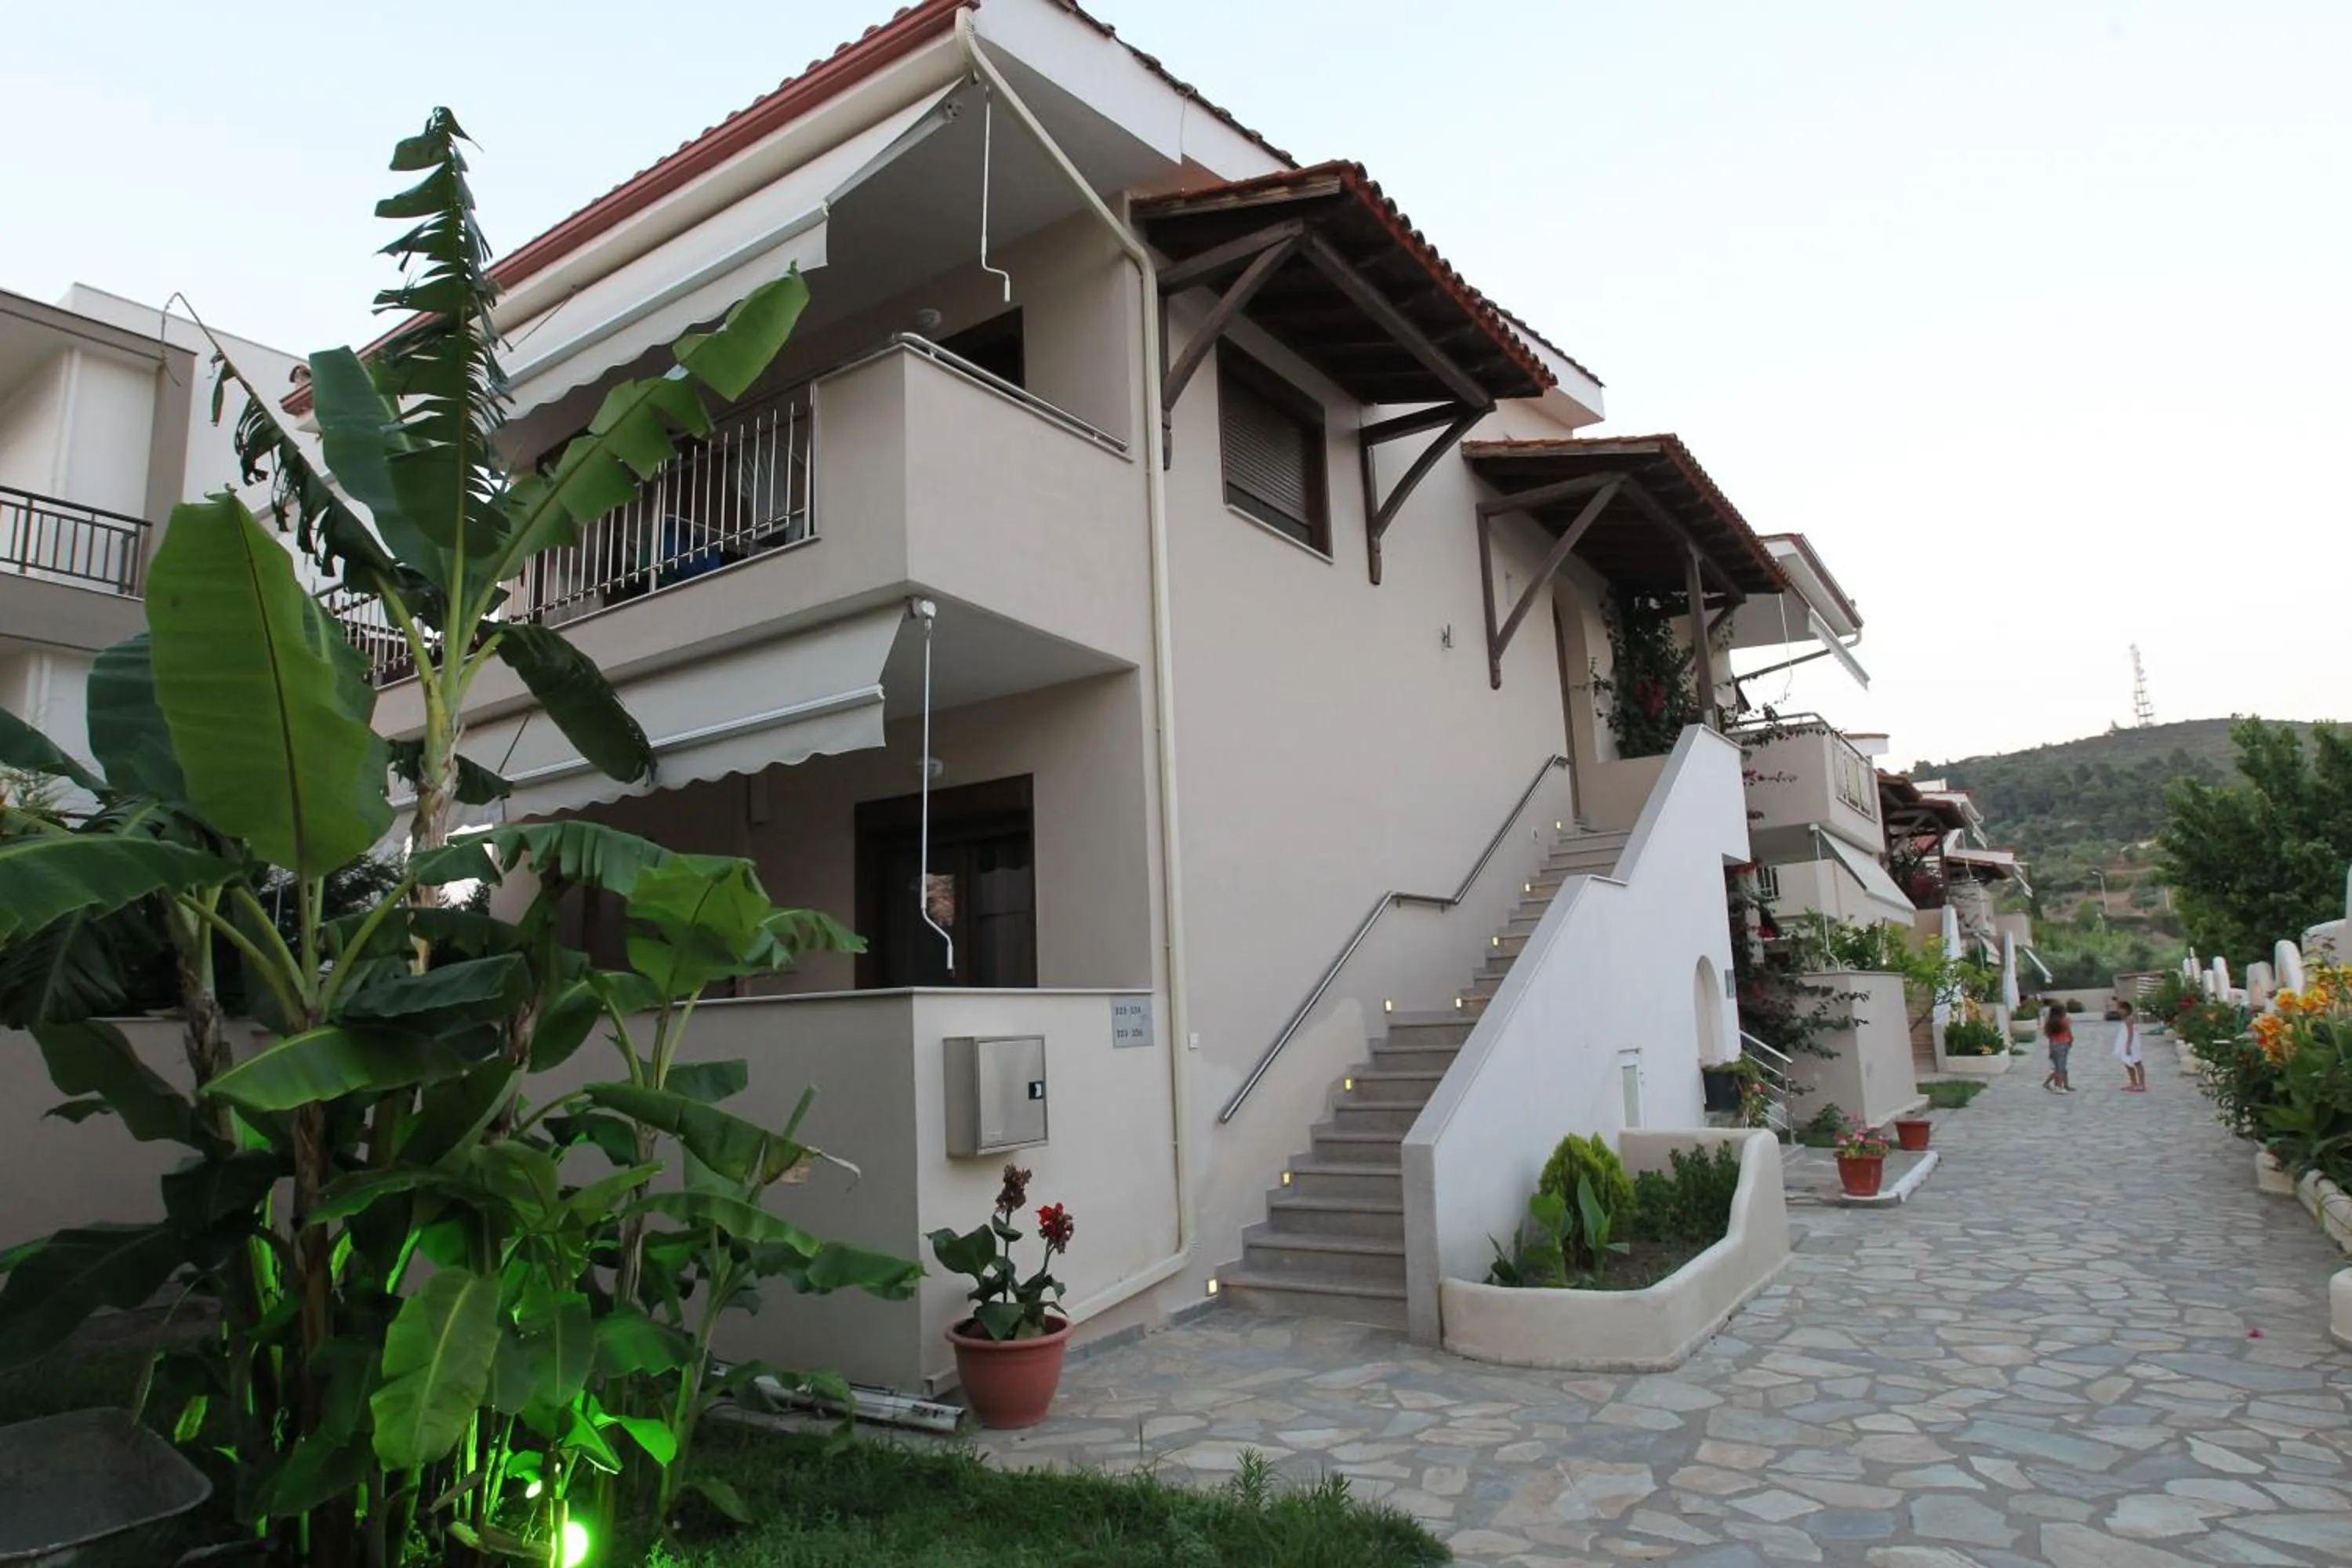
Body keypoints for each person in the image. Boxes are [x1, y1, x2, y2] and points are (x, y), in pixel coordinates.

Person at [2041, 1000, 2074, 1093]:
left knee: (2059, 1067)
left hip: (2053, 1045)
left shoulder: (2050, 1023)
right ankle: (2058, 1087)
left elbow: (2048, 1035)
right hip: (2063, 1044)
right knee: (2061, 1068)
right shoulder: (2065, 1021)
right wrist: (2071, 1042)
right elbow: (2069, 1033)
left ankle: (2063, 1085)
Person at [2114, 998, 2146, 1092]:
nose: (2119, 1011)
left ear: (2127, 1010)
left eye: (2121, 1009)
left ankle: (2141, 1084)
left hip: (2131, 1044)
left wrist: (2128, 1045)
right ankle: (2133, 1082)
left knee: (2137, 1062)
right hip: (2125, 1043)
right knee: (2128, 1064)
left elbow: (2131, 1033)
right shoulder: (2125, 1020)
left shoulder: (2129, 1019)